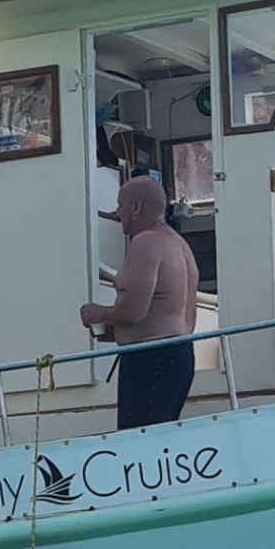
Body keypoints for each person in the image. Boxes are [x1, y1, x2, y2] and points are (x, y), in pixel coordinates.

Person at [80, 175, 197, 431]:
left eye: (120, 205)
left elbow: (133, 312)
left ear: (136, 208)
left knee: (137, 440)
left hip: (151, 360)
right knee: (159, 438)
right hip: (178, 354)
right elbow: (164, 311)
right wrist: (115, 332)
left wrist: (97, 313)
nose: (118, 213)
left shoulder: (145, 242)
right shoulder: (178, 243)